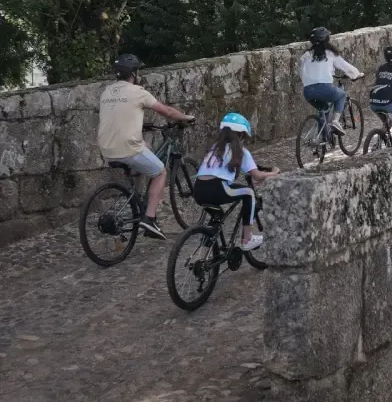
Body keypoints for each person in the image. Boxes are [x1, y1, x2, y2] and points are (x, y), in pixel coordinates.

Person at [97, 53, 194, 240]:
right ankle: (149, 219)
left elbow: (119, 116)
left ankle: (137, 189)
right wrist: (185, 117)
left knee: (145, 147)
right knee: (160, 172)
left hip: (107, 149)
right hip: (127, 149)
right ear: (133, 73)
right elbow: (166, 111)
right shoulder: (138, 92)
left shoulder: (106, 92)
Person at [193, 113, 280, 251]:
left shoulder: (214, 147)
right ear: (241, 135)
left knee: (217, 215)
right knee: (249, 193)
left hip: (198, 189)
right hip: (218, 187)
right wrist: (274, 173)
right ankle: (248, 238)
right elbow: (257, 175)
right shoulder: (241, 151)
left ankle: (207, 247)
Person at [299, 26, 364, 134]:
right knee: (342, 95)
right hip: (324, 88)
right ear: (327, 39)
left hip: (308, 91)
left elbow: (301, 73)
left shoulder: (306, 55)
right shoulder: (330, 54)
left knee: (323, 109)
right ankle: (335, 121)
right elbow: (346, 67)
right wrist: (357, 74)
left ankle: (322, 139)